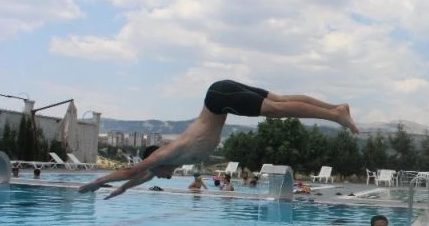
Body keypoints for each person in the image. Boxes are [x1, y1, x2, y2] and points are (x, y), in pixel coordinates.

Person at [78, 80, 360, 199]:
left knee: (276, 110)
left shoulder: (166, 155)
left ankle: (335, 115)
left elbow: (135, 171)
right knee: (280, 101)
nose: (160, 177)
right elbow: (140, 177)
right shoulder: (171, 162)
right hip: (221, 94)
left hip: (220, 100)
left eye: (156, 172)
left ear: (154, 160)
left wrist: (98, 182)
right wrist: (124, 189)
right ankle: (335, 107)